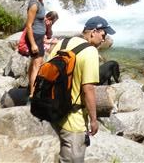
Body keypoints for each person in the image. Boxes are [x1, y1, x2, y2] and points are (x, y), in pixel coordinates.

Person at [50, 15, 116, 163]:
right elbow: (88, 90)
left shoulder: (63, 42)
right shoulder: (90, 52)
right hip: (73, 119)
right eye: (103, 35)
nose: (104, 39)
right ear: (93, 32)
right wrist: (93, 120)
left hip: (53, 109)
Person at [26, 0, 50, 97]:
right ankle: (33, 94)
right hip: (35, 37)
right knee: (37, 65)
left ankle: (30, 88)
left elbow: (37, 19)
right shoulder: (34, 4)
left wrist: (44, 20)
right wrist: (33, 44)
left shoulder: (40, 1)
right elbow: (29, 25)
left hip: (38, 36)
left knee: (34, 64)